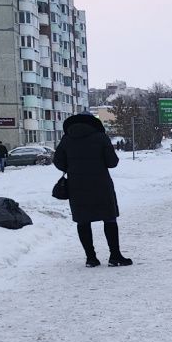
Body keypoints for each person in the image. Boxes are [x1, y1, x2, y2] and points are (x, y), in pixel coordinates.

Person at [53, 113, 131, 267]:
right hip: (101, 184)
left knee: (83, 221)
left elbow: (58, 162)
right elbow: (112, 162)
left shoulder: (67, 139)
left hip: (77, 186)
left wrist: (73, 167)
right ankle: (115, 256)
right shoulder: (100, 137)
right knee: (109, 218)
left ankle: (91, 258)